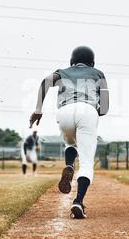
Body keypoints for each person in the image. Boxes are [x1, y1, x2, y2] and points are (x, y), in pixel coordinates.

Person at [29, 46, 109, 219]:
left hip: (64, 111)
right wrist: (95, 110)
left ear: (72, 61)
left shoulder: (63, 72)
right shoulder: (98, 74)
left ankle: (70, 165)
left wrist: (38, 109)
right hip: (88, 110)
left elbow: (46, 81)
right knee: (87, 163)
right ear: (92, 62)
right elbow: (104, 108)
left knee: (70, 143)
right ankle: (78, 202)